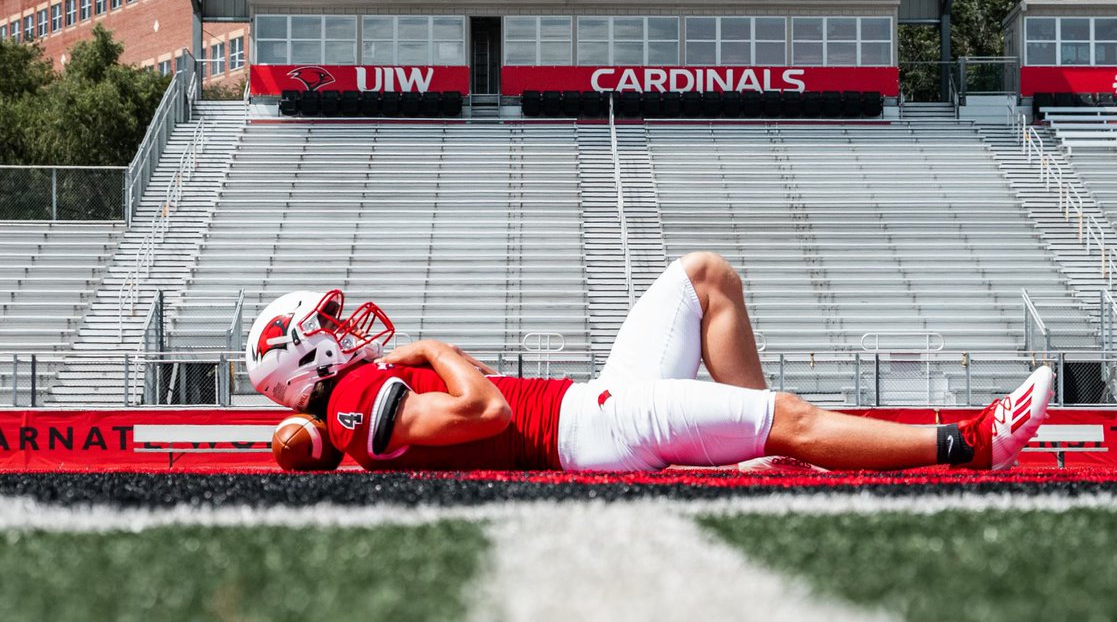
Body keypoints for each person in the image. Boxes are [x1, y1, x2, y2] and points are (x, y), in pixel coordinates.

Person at [245, 252, 1053, 473]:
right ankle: (970, 444)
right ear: (302, 359)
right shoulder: (354, 396)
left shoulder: (346, 402)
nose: (348, 328)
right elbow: (483, 412)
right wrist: (437, 349)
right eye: (328, 324)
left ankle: (756, 453)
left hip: (593, 404)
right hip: (593, 432)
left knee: (703, 276)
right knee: (791, 418)